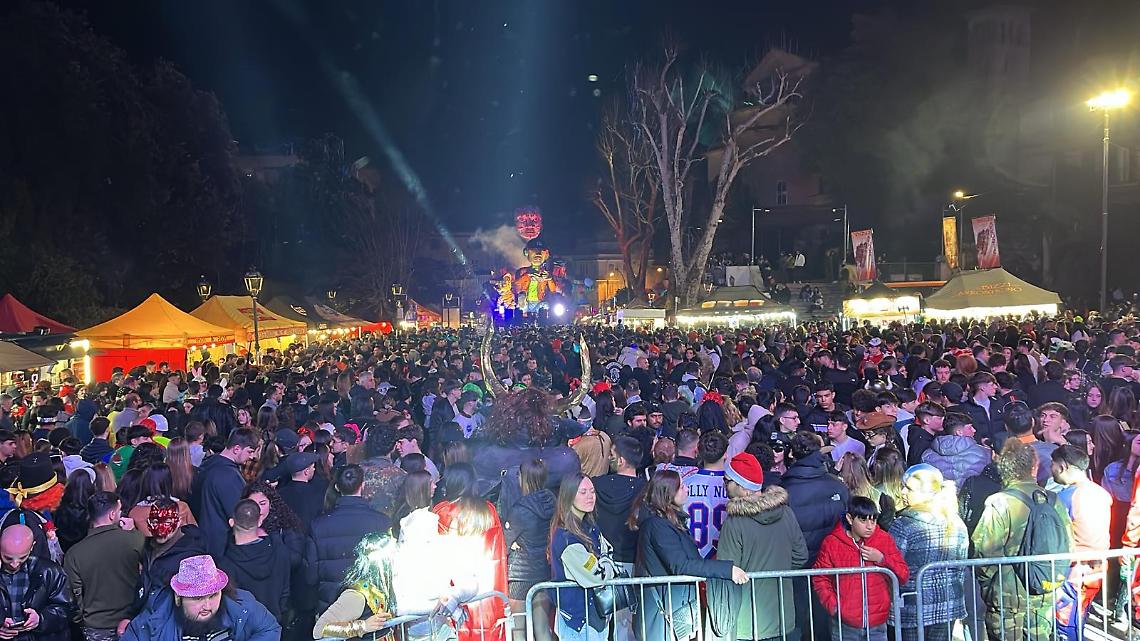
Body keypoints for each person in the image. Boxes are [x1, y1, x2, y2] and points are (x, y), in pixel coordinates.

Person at [628, 469, 747, 641]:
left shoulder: (670, 523)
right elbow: (681, 565)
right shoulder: (657, 526)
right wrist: (727, 570)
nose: (686, 489)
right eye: (681, 486)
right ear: (668, 493)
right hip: (662, 615)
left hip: (674, 610)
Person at [972, 440, 1072, 641]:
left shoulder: (1000, 502)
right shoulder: (1052, 499)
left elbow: (983, 551)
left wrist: (991, 584)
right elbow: (1068, 544)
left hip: (1007, 596)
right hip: (1043, 592)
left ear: (1003, 468)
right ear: (1034, 467)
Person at [717, 452, 808, 641]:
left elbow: (726, 569)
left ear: (742, 487)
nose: (724, 484)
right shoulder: (786, 513)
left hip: (746, 622)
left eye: (727, 481)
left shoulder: (734, 523)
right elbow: (800, 555)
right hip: (782, 617)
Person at [886, 465, 968, 641]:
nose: (902, 492)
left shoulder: (904, 525)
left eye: (909, 489)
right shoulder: (957, 523)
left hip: (911, 605)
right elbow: (961, 567)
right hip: (948, 603)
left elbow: (891, 568)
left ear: (927, 493)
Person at [812, 496, 909, 641]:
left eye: (873, 520)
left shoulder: (884, 539)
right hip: (845, 624)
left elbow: (903, 575)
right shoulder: (832, 542)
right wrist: (834, 606)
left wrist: (882, 559)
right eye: (863, 520)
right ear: (850, 519)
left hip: (877, 622)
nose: (870, 526)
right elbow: (820, 577)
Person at [121, 555, 280, 641]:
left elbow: (270, 628)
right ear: (178, 598)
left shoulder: (242, 605)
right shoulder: (153, 620)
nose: (207, 606)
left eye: (213, 595)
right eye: (197, 598)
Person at [432, 463, 508, 641]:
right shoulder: (488, 510)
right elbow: (497, 550)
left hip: (454, 586)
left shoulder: (442, 511)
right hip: (487, 585)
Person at [305, 464, 391, 613]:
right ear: (363, 485)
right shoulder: (382, 522)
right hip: (370, 604)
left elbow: (311, 575)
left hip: (332, 604)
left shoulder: (318, 525)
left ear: (337, 487)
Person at [63, 491, 145, 641]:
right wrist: (133, 531)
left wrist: (81, 621)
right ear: (112, 515)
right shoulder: (134, 540)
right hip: (131, 622)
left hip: (95, 626)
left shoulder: (73, 554)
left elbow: (74, 598)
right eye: (119, 511)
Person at [548, 473, 620, 641]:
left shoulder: (590, 526)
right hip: (579, 620)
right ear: (569, 495)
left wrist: (605, 562)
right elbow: (597, 575)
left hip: (596, 616)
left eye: (592, 491)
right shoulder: (566, 537)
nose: (590, 496)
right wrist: (608, 565)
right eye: (583, 492)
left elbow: (608, 551)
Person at [1050, 445, 1111, 641]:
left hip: (1072, 572)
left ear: (1063, 466)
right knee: (1080, 616)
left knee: (1065, 623)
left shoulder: (1065, 497)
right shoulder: (1101, 493)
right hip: (1096, 568)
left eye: (1053, 464)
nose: (1051, 469)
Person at [503, 458, 554, 641]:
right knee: (542, 628)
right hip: (544, 571)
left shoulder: (520, 509)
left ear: (523, 478)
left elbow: (505, 542)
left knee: (518, 629)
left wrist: (514, 544)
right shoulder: (552, 502)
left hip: (520, 576)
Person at [218, 499, 292, 622]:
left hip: (244, 626)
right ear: (260, 521)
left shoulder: (225, 565)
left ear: (231, 522)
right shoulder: (280, 551)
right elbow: (285, 591)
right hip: (275, 621)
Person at [189, 428, 259, 557]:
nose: (252, 457)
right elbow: (239, 514)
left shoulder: (208, 465)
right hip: (222, 545)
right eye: (250, 451)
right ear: (237, 449)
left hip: (205, 537)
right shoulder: (228, 476)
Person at [0, 524, 71, 641]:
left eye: (22, 557)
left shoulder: (50, 571)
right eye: (7, 558)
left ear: (32, 546)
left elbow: (67, 610)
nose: (14, 564)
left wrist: (41, 620)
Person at [681, 430, 729, 559]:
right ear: (725, 454)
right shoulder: (734, 487)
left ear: (699, 452)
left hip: (690, 556)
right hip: (722, 557)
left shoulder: (684, 484)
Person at [921, 412, 992, 483]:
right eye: (970, 427)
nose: (974, 430)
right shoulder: (984, 453)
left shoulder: (926, 455)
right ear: (959, 432)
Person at [275, 451, 328, 530]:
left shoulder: (279, 493)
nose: (314, 469)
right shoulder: (317, 494)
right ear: (306, 472)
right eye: (313, 467)